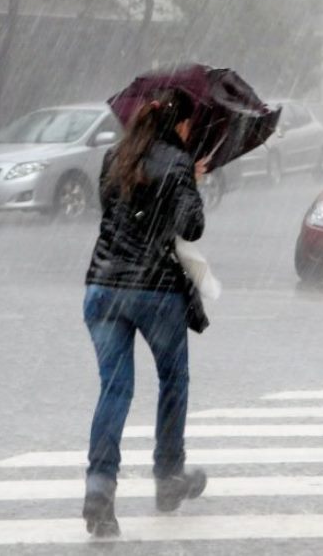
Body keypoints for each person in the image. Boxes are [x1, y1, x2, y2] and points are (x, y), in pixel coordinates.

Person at [82, 86, 208, 537]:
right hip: (154, 291)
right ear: (180, 124)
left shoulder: (113, 157)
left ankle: (99, 489)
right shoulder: (177, 163)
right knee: (173, 379)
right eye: (190, 125)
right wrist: (190, 179)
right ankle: (169, 476)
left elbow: (114, 211)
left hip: (102, 287)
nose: (190, 131)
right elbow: (190, 226)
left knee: (114, 391)